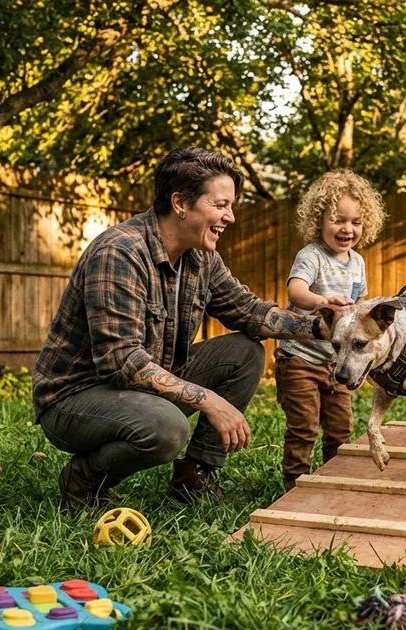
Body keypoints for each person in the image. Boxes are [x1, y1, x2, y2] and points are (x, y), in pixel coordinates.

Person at [32, 147, 329, 510]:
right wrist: (210, 401)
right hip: (75, 398)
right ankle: (83, 479)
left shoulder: (201, 257)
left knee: (245, 352)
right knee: (168, 428)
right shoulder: (119, 253)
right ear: (180, 203)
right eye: (220, 205)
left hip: (141, 385)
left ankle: (194, 477)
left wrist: (325, 328)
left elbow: (249, 312)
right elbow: (122, 361)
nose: (230, 217)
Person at [275, 170, 386, 491]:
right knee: (304, 426)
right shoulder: (311, 256)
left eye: (356, 222)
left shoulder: (358, 262)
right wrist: (323, 301)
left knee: (340, 428)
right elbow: (296, 291)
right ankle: (294, 485)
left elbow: (361, 302)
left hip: (339, 363)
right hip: (301, 359)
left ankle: (331, 480)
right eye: (338, 220)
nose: (347, 229)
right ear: (318, 219)